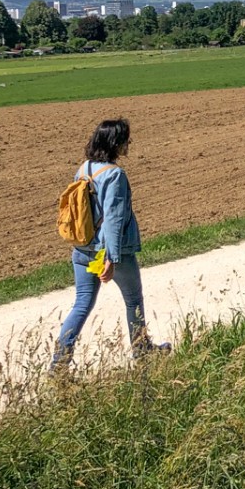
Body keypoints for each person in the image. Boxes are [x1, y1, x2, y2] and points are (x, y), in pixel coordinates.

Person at [52, 118, 170, 369]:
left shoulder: (84, 168)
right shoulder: (115, 175)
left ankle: (58, 364)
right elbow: (114, 219)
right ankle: (142, 351)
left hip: (82, 249)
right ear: (116, 143)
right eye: (126, 139)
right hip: (110, 252)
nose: (129, 143)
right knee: (133, 301)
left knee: (82, 303)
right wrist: (111, 258)